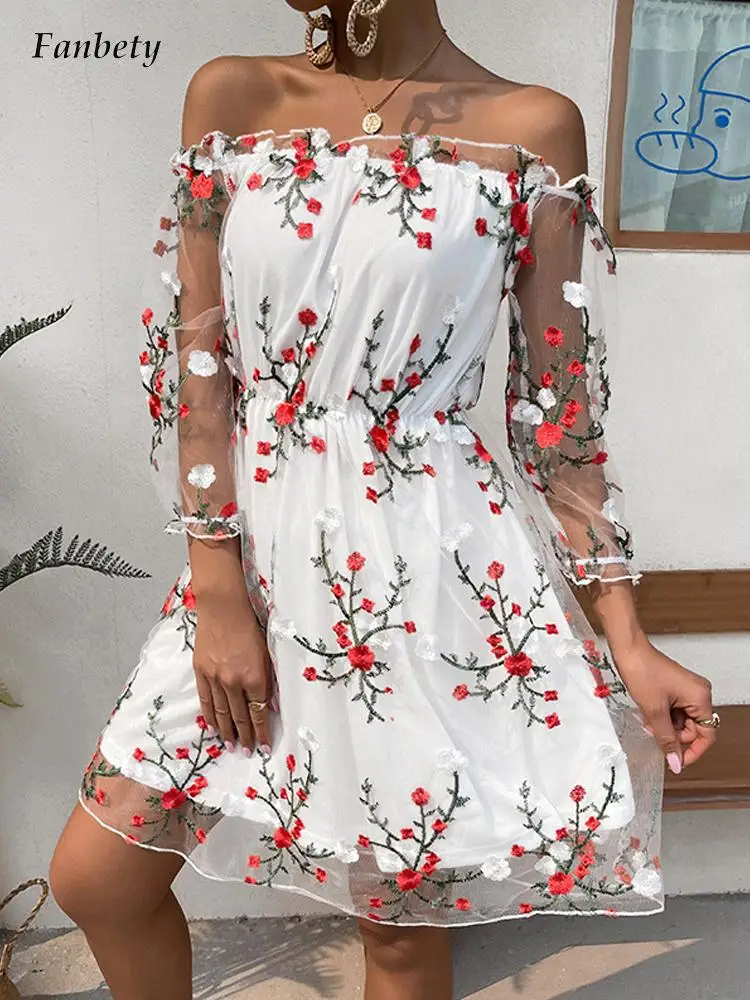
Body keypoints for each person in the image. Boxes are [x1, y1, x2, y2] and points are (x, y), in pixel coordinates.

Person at [49, 2, 720, 998]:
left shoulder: (533, 126)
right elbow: (199, 365)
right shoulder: (233, 96)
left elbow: (556, 416)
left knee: (399, 933)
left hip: (426, 576)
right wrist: (216, 584)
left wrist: (627, 636)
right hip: (257, 570)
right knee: (97, 879)